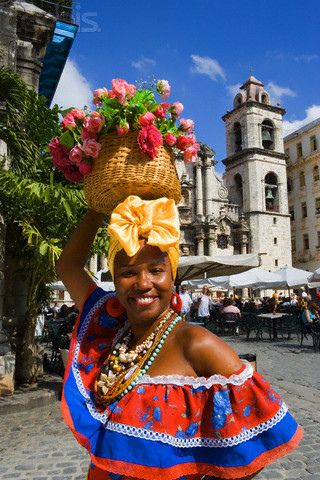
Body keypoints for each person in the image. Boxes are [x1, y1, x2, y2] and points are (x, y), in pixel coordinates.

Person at [57, 195, 303, 480]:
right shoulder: (111, 327)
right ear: (115, 280)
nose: (143, 283)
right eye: (128, 272)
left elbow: (258, 443)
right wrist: (101, 201)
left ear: (172, 277)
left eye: (156, 270)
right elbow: (68, 266)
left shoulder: (198, 344)